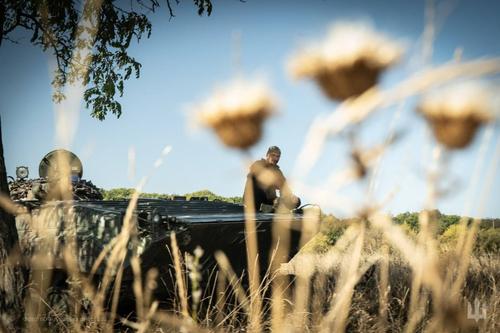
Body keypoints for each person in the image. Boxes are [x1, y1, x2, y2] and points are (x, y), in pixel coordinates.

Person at [243, 146, 301, 211]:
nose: (276, 158)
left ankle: (272, 208)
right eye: (273, 155)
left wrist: (292, 198)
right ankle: (268, 208)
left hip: (269, 203)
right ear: (267, 155)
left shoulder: (277, 171)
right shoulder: (258, 164)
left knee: (293, 200)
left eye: (278, 156)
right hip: (253, 201)